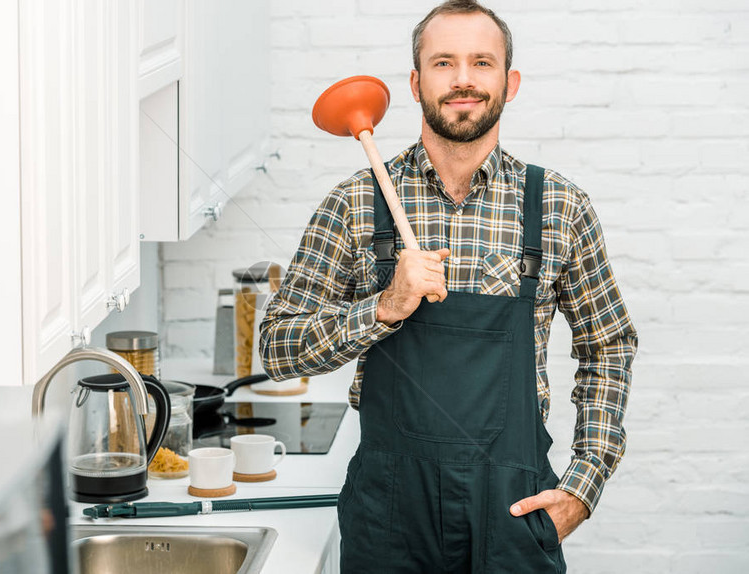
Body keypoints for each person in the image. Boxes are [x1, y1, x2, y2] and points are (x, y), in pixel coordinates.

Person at [260, 1, 638, 571]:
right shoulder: (356, 204)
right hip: (389, 516)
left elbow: (608, 346)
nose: (463, 79)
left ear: (509, 83)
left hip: (513, 512)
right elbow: (277, 348)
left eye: (481, 63)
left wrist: (584, 486)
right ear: (416, 83)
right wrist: (383, 308)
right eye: (443, 63)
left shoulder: (559, 206)